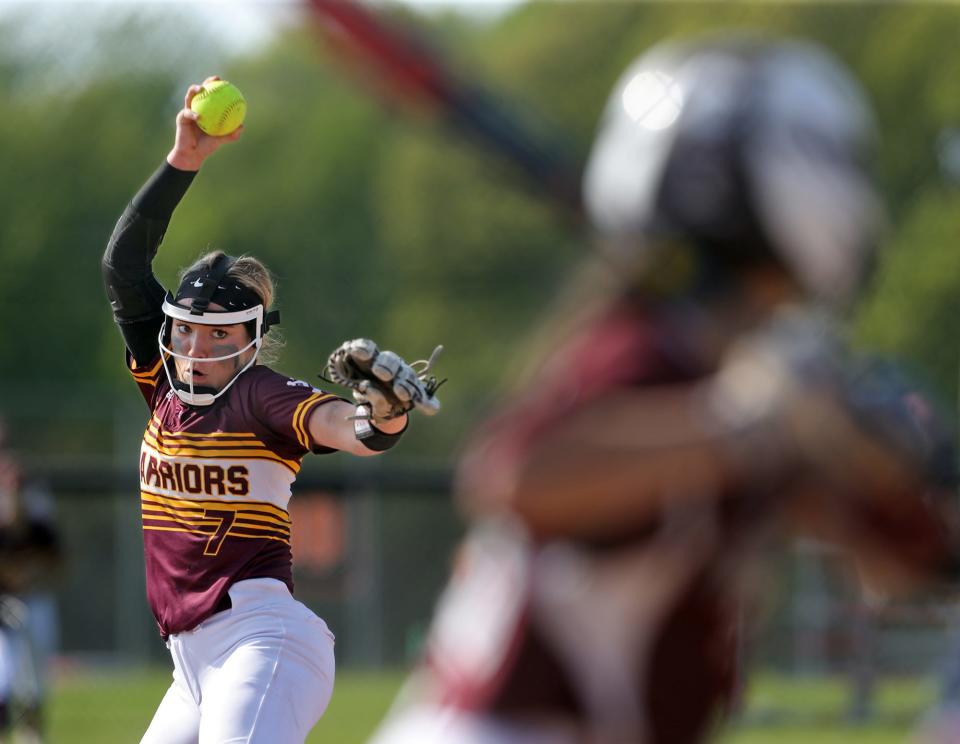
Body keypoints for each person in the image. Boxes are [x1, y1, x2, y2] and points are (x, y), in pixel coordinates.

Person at [366, 35, 960, 744]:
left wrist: (879, 450)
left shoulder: (769, 370)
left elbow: (914, 561)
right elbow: (516, 473)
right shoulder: (649, 350)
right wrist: (745, 423)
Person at [101, 76, 442, 744]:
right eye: (187, 329)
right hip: (190, 665)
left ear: (252, 340)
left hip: (264, 644)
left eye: (219, 333)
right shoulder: (163, 385)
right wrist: (185, 160)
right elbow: (124, 268)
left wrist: (387, 410)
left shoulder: (260, 396)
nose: (197, 346)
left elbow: (354, 429)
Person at [0, 417, 61, 744]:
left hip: (31, 598)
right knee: (5, 678)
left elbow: (52, 555)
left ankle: (30, 737)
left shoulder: (31, 492)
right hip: (4, 602)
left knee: (33, 682)